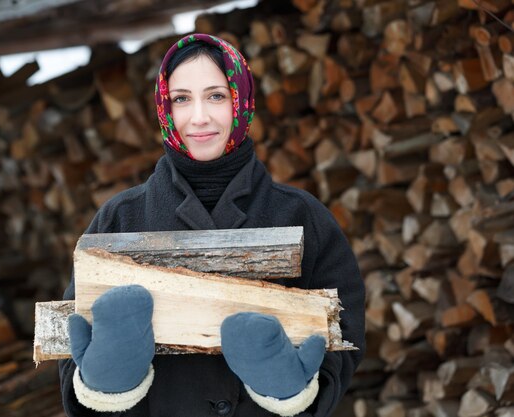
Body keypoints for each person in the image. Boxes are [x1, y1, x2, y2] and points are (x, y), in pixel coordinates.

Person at [58, 33, 365, 417]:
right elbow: (72, 348)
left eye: (216, 96)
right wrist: (110, 381)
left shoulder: (303, 217)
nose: (199, 116)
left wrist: (288, 387)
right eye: (182, 98)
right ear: (164, 107)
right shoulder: (118, 219)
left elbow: (344, 336)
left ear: (242, 101)